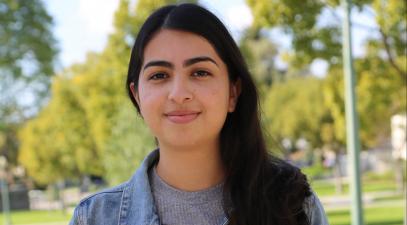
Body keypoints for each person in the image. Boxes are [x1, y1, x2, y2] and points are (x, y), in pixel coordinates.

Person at [69, 3, 328, 225]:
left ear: (233, 93)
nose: (179, 93)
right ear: (137, 96)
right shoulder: (94, 218)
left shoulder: (293, 205)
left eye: (200, 72)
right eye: (159, 75)